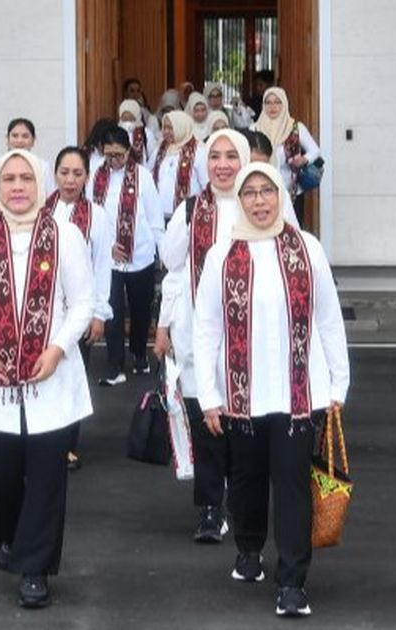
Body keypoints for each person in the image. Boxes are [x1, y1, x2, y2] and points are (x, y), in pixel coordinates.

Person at [192, 162, 348, 618]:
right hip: (241, 395)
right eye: (250, 193)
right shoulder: (222, 255)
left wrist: (339, 380)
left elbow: (327, 318)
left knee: (293, 484)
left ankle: (292, 581)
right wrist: (209, 395)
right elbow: (206, 330)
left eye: (267, 191)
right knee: (246, 478)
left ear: (281, 195)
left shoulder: (308, 249)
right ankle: (248, 549)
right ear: (238, 201)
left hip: (298, 395)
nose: (260, 201)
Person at [0, 149, 95, 609]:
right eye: (8, 178)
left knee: (48, 476)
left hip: (52, 376)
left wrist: (57, 348)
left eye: (26, 177)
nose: (17, 187)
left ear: (41, 183)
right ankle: (8, 534)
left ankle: (36, 568)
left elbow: (83, 301)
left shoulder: (65, 235)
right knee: (2, 475)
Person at [154, 129, 252, 544]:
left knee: (245, 424)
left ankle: (247, 510)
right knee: (206, 421)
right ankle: (211, 509)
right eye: (215, 157)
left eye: (232, 156)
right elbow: (174, 270)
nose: (224, 164)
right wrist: (163, 326)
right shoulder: (190, 210)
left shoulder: (263, 205)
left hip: (250, 337)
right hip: (197, 330)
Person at [44, 147, 113, 471]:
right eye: (64, 172)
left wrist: (99, 312)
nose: (70, 180)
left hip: (77, 310)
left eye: (77, 173)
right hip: (41, 309)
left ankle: (67, 443)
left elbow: (101, 265)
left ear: (87, 177)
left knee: (72, 375)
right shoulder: (40, 209)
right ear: (55, 174)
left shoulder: (96, 215)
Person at [87, 127, 163, 385]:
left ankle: (139, 352)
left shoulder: (143, 176)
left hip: (140, 255)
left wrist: (160, 252)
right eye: (108, 155)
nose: (114, 161)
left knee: (141, 310)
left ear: (128, 151)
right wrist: (107, 246)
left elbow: (154, 217)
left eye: (119, 155)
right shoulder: (96, 177)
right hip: (108, 258)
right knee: (113, 312)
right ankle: (114, 364)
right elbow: (91, 217)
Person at [252, 87, 320, 227]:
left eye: (277, 102)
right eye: (268, 102)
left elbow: (315, 150)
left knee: (291, 231)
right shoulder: (254, 129)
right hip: (260, 192)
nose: (272, 106)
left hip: (291, 193)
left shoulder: (295, 128)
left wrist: (303, 159)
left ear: (284, 104)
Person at [0, 118, 57, 223]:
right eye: (15, 136)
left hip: (35, 225)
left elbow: (50, 200)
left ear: (33, 141)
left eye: (25, 136)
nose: (19, 141)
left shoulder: (43, 166)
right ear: (7, 139)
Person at [151, 111, 208, 223]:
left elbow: (206, 184)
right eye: (164, 128)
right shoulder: (160, 149)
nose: (166, 132)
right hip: (159, 216)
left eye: (170, 128)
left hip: (187, 216)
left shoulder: (199, 151)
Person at [118, 99, 158, 168]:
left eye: (131, 119)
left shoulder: (146, 134)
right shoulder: (116, 134)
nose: (128, 123)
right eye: (124, 119)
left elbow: (153, 158)